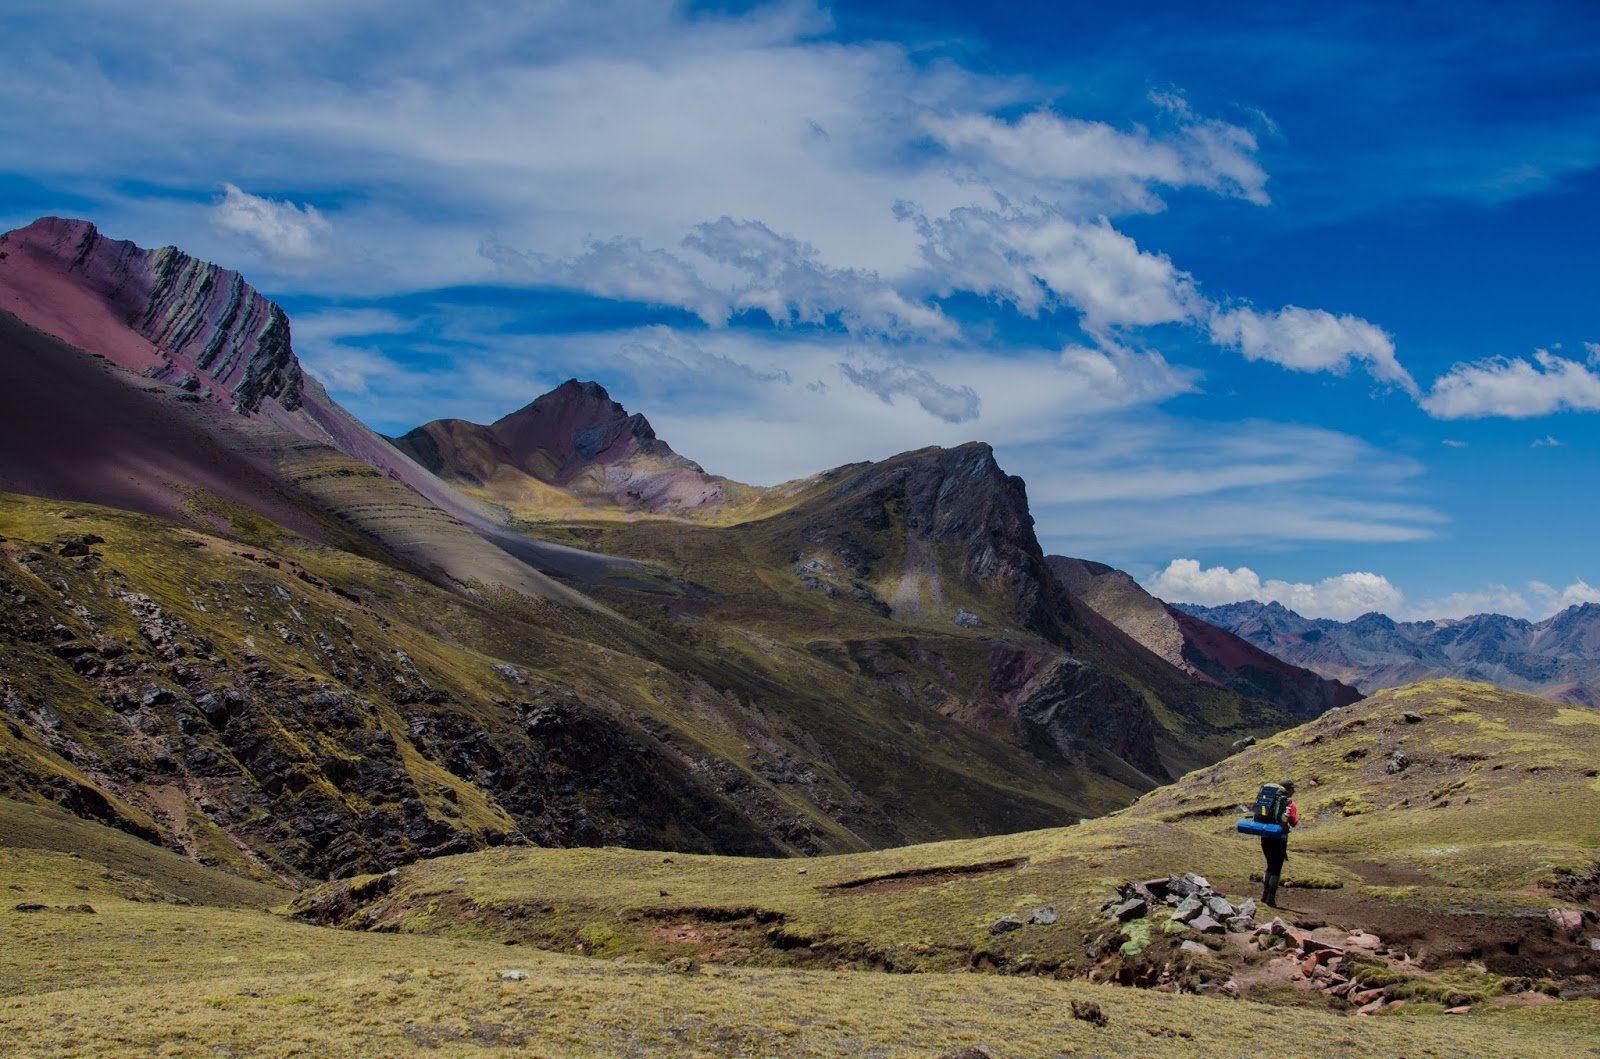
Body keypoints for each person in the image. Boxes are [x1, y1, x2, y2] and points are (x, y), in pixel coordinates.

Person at [1260, 778, 1298, 907]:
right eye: (1292, 788)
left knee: (1269, 865)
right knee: (1276, 868)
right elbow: (1293, 822)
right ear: (1287, 789)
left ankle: (1264, 894)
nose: (1294, 791)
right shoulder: (1289, 803)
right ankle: (1271, 897)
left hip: (1265, 835)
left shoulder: (1268, 799)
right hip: (1279, 838)